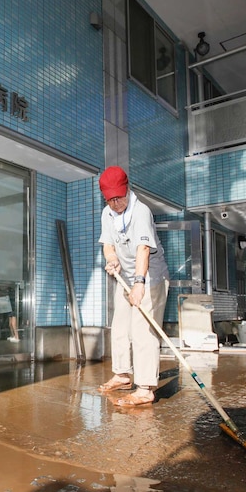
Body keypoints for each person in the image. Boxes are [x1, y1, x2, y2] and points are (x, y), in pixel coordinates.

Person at [96, 166, 170, 406]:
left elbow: (143, 249)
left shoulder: (141, 211)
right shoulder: (107, 214)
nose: (116, 203)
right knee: (119, 327)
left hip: (149, 277)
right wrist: (111, 258)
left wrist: (139, 283)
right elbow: (107, 244)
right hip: (125, 277)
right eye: (111, 199)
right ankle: (122, 374)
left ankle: (146, 387)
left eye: (119, 197)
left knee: (143, 331)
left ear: (127, 189)